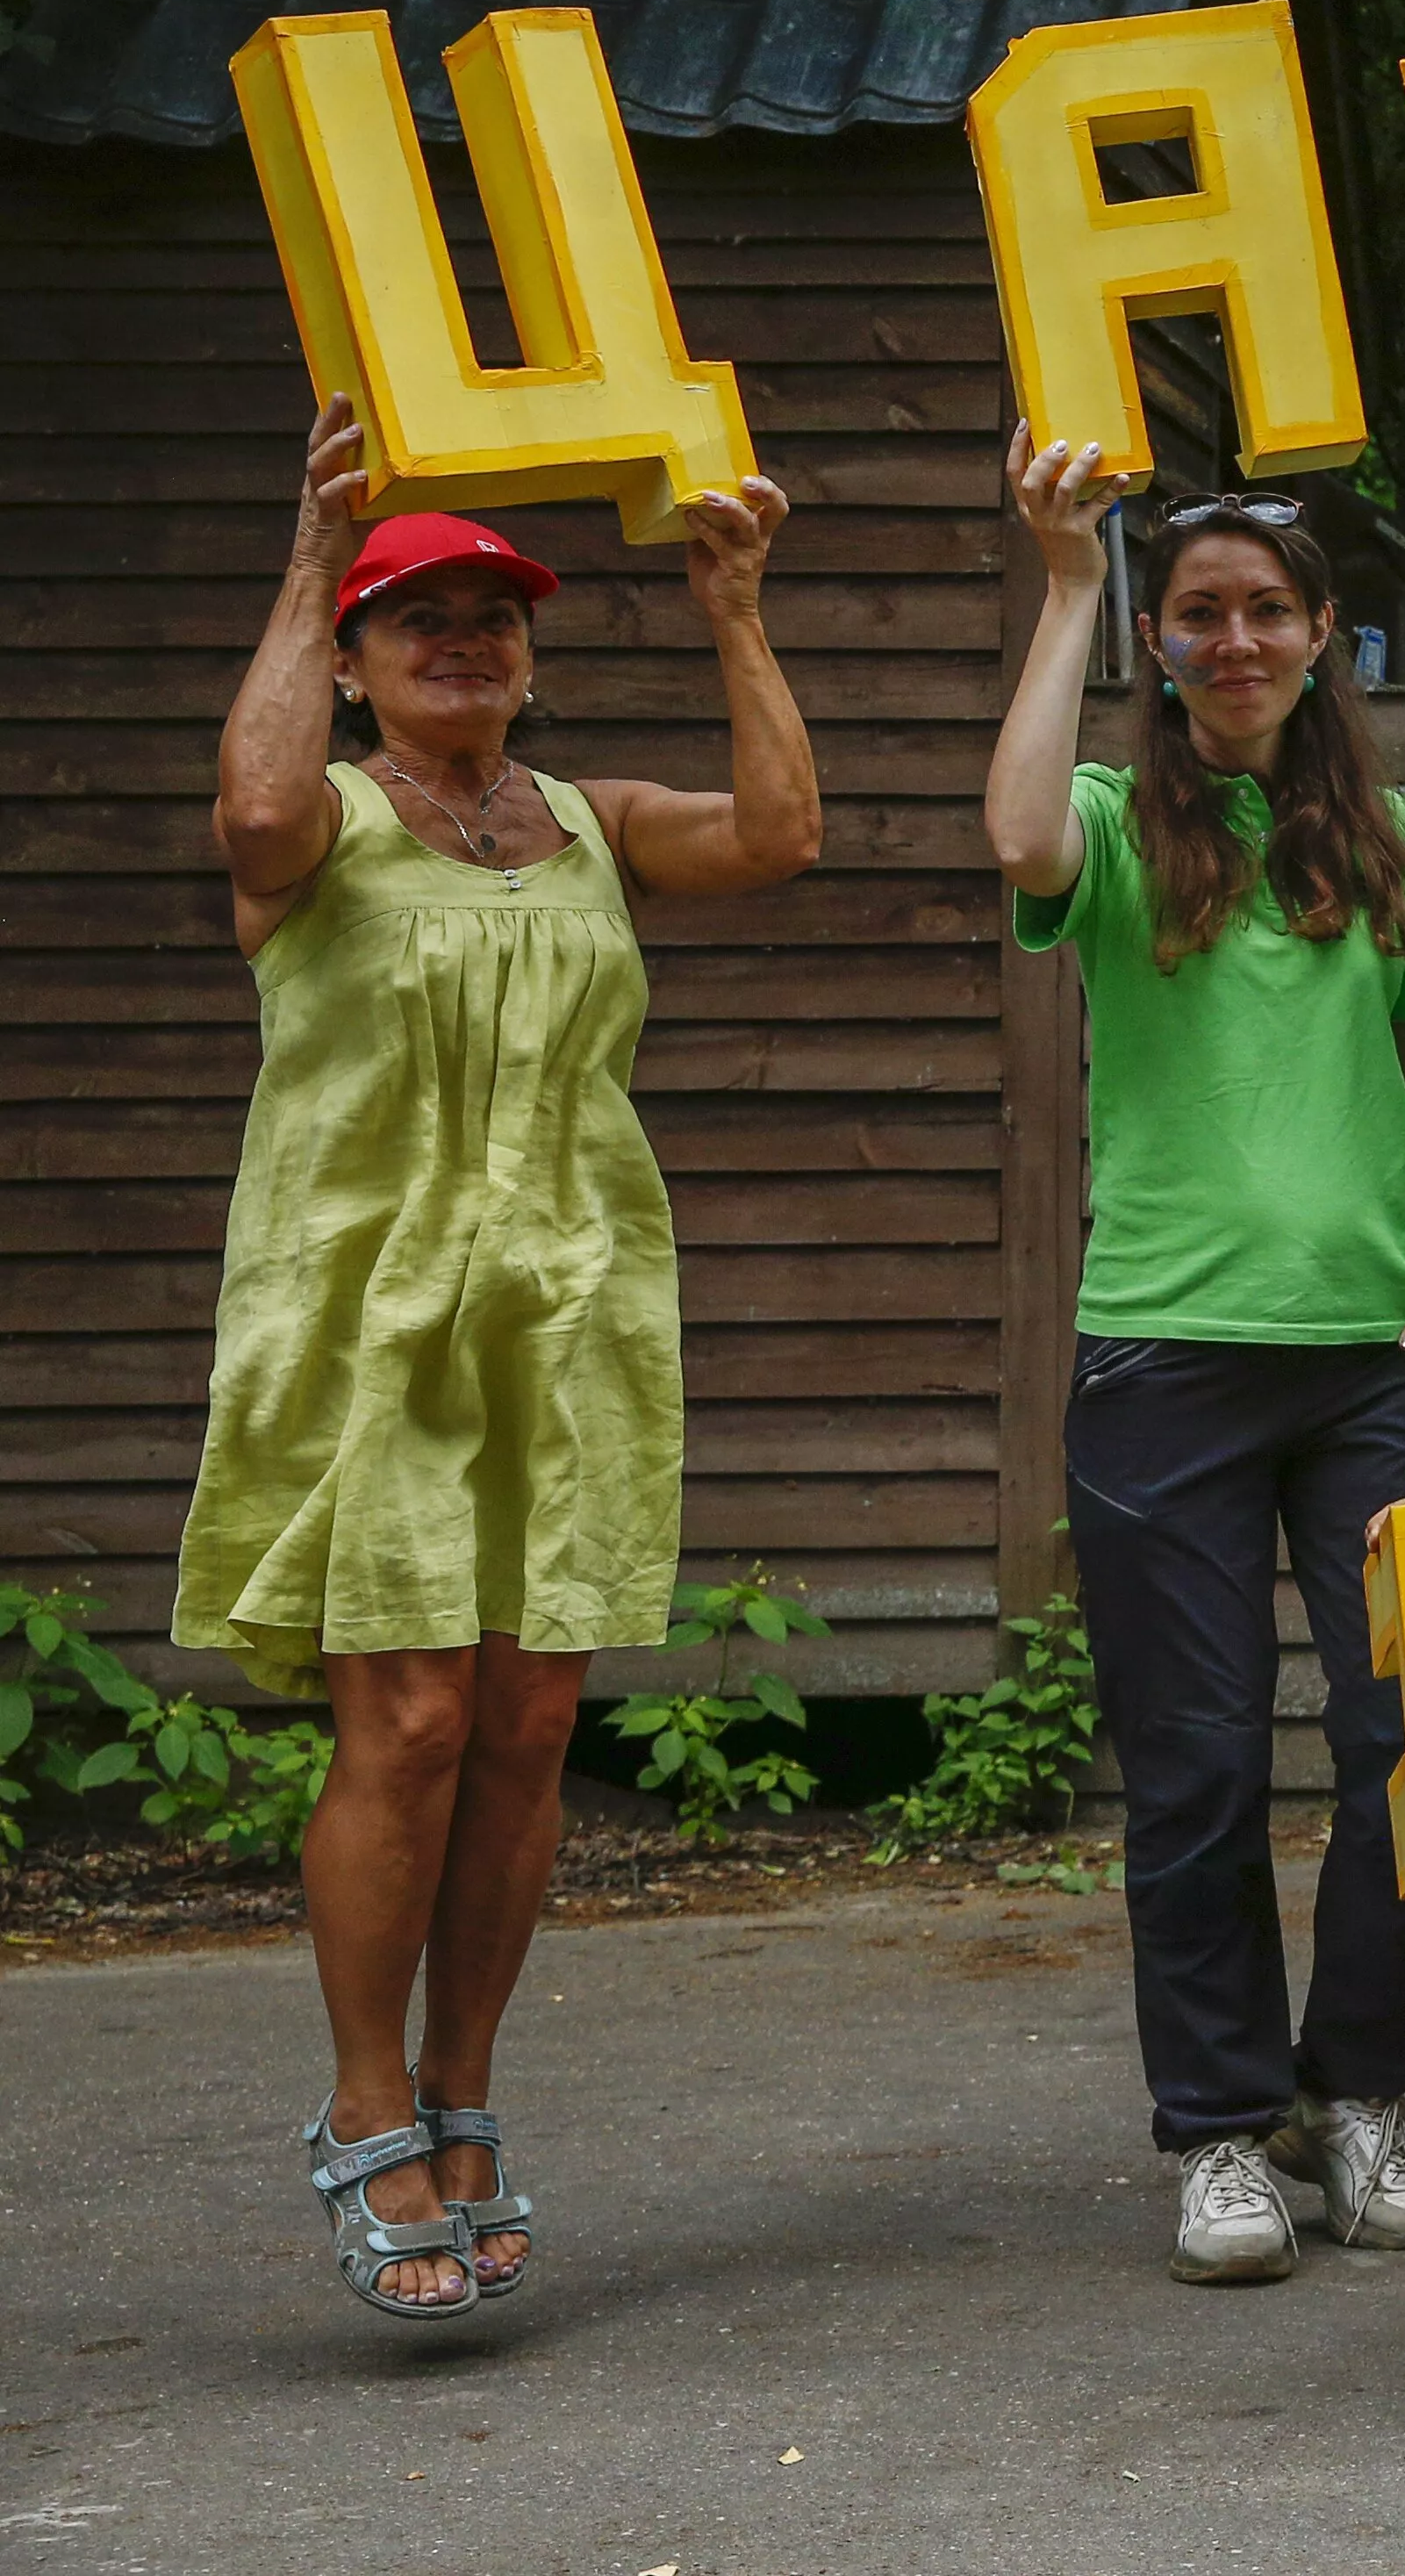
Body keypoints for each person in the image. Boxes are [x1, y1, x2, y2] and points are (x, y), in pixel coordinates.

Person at [194, 401, 816, 2321]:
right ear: (362, 658)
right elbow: (249, 815)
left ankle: (468, 2080)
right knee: (408, 1720)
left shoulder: (592, 824)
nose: (463, 641)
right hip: (368, 1309)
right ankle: (367, 2093)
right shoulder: (325, 825)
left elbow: (783, 834)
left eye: (493, 617)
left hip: (570, 1309)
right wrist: (314, 551)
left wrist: (736, 611)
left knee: (533, 1719)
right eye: (419, 618)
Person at [986, 439, 1405, 2286]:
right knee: (1191, 1766)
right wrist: (1060, 585)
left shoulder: (1382, 842)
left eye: (1269, 609)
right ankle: (1214, 2130)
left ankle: (1357, 2100)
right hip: (1164, 1365)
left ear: (1323, 634)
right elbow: (1014, 834)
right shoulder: (1117, 830)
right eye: (1199, 613)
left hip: (1373, 1364)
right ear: (1162, 641)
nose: (1237, 637)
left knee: (1401, 1749)